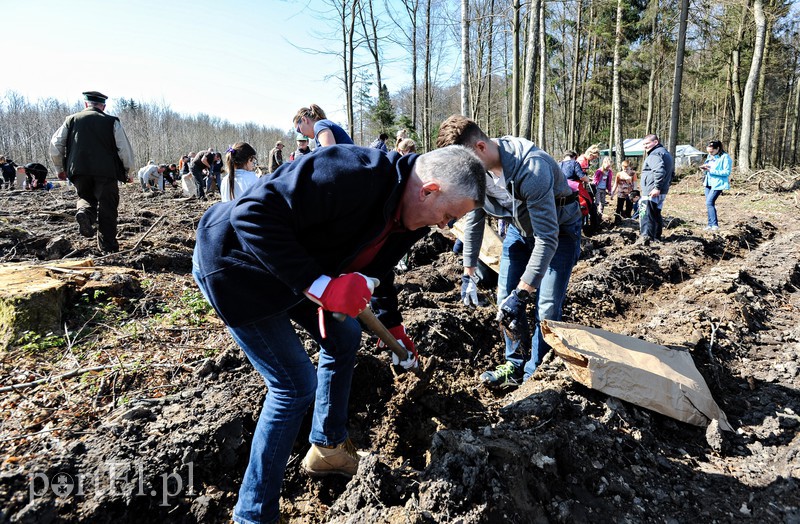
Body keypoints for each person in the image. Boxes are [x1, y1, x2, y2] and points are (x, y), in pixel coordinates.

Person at [192, 144, 485, 524]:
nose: (445, 226)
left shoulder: (410, 216)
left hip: (300, 269)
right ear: (428, 189)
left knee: (345, 337)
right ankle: (253, 514)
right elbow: (251, 215)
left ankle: (327, 447)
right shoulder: (350, 172)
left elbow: (379, 271)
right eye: (448, 215)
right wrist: (321, 287)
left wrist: (393, 325)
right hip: (237, 266)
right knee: (294, 385)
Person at [436, 115, 583, 388]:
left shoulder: (531, 168)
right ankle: (514, 364)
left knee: (547, 305)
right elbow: (476, 218)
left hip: (558, 231)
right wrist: (469, 270)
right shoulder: (477, 172)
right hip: (518, 228)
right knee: (505, 298)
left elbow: (546, 239)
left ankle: (535, 372)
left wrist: (524, 291)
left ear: (481, 147)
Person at [49, 91, 134, 253]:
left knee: (85, 197)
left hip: (78, 170)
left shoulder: (71, 120)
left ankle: (85, 214)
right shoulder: (111, 122)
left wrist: (60, 168)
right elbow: (124, 149)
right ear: (103, 106)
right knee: (108, 207)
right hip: (106, 171)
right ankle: (108, 247)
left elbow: (55, 145)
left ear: (86, 104)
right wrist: (128, 171)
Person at [638, 134, 674, 244]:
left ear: (656, 142)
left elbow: (659, 171)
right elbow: (672, 173)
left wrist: (657, 187)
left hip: (652, 190)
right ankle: (656, 237)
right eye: (644, 144)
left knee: (646, 214)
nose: (645, 146)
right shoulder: (665, 153)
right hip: (661, 189)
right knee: (655, 214)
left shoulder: (654, 154)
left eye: (647, 143)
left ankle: (646, 238)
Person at [700, 140, 732, 231]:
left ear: (718, 149)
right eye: (709, 152)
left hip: (718, 183)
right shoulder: (710, 156)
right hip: (708, 183)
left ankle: (714, 225)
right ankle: (709, 224)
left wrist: (711, 171)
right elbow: (709, 167)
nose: (710, 153)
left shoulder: (725, 157)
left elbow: (726, 172)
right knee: (709, 204)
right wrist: (705, 168)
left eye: (712, 151)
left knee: (709, 202)